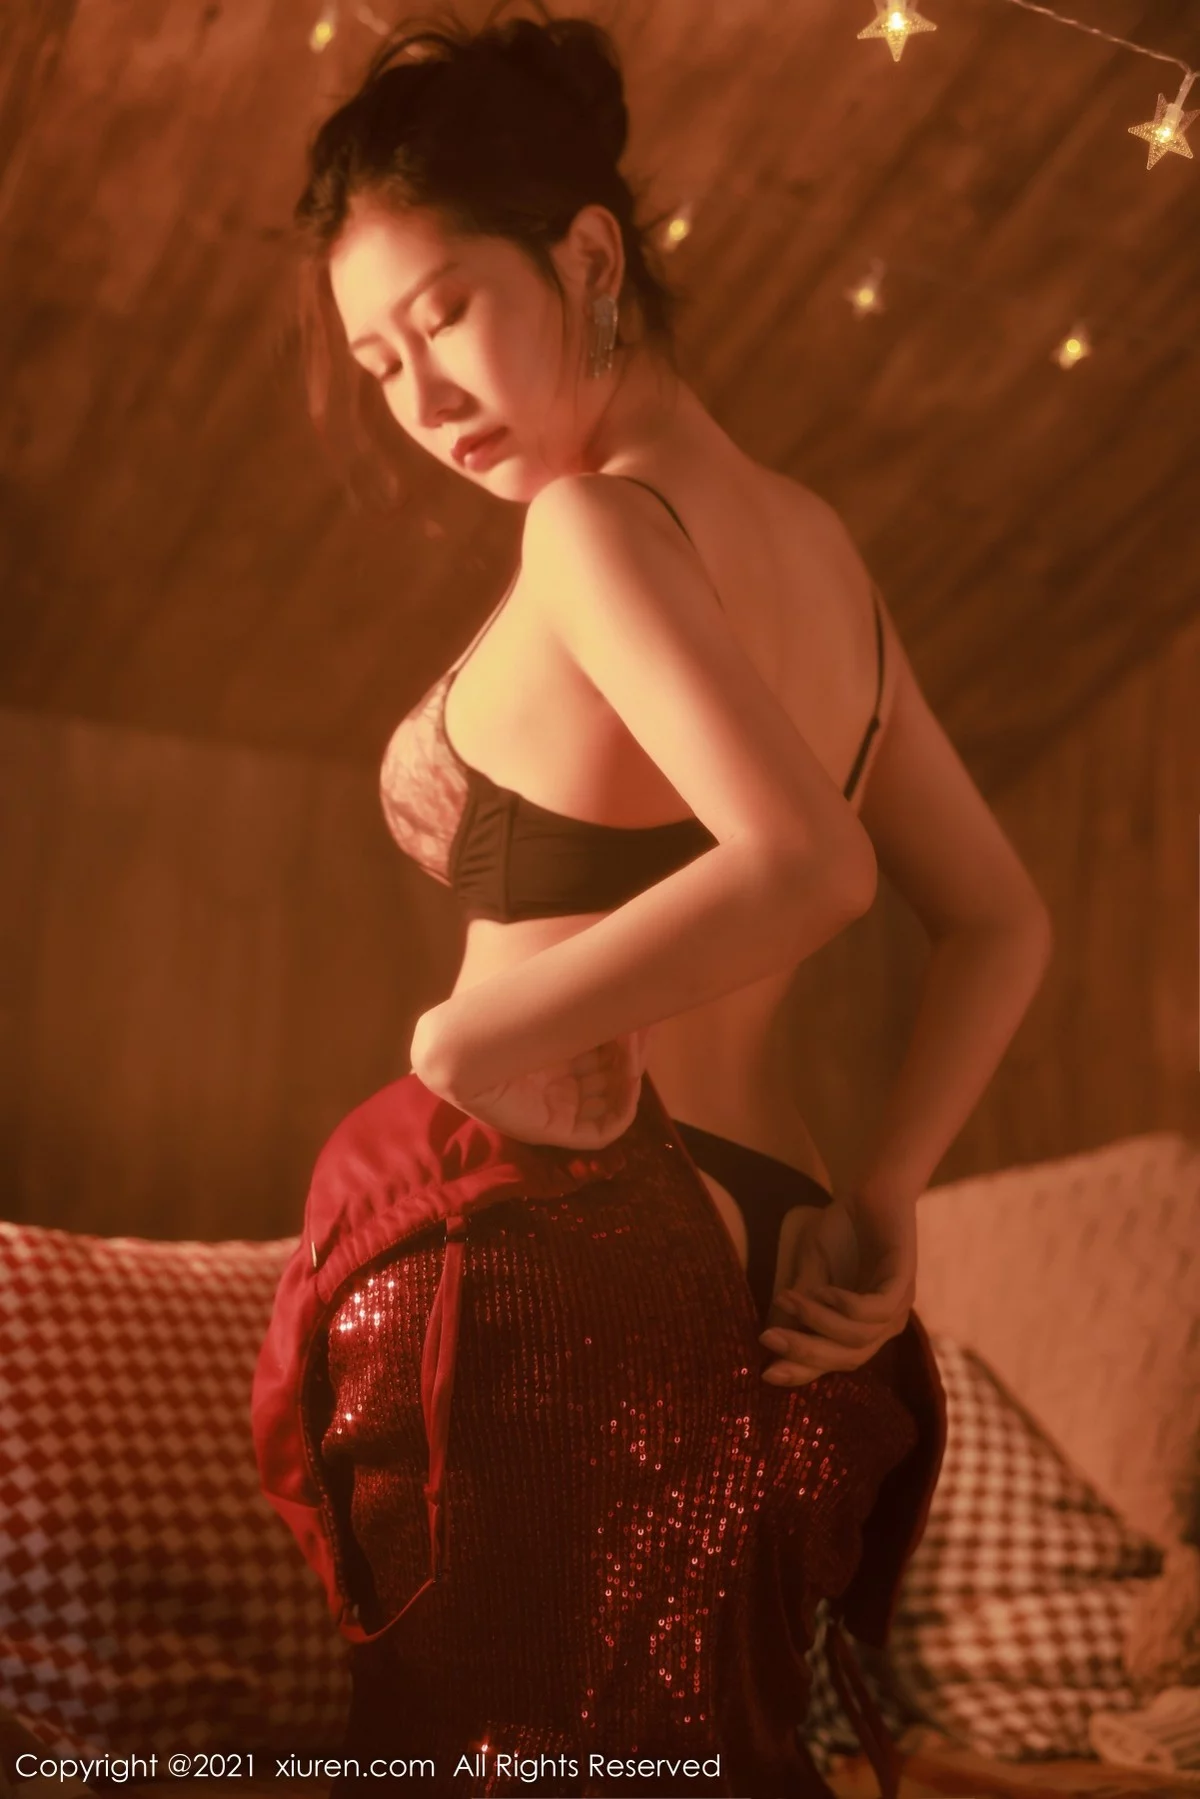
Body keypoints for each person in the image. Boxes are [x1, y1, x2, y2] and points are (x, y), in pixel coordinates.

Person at [251, 8, 1053, 1797]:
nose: (419, 396)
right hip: (783, 1272)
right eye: (378, 360)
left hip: (572, 1272)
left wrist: (471, 1033)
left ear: (591, 257)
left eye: (445, 312)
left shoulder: (594, 528)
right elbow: (1003, 921)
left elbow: (811, 864)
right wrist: (885, 1193)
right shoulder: (825, 554)